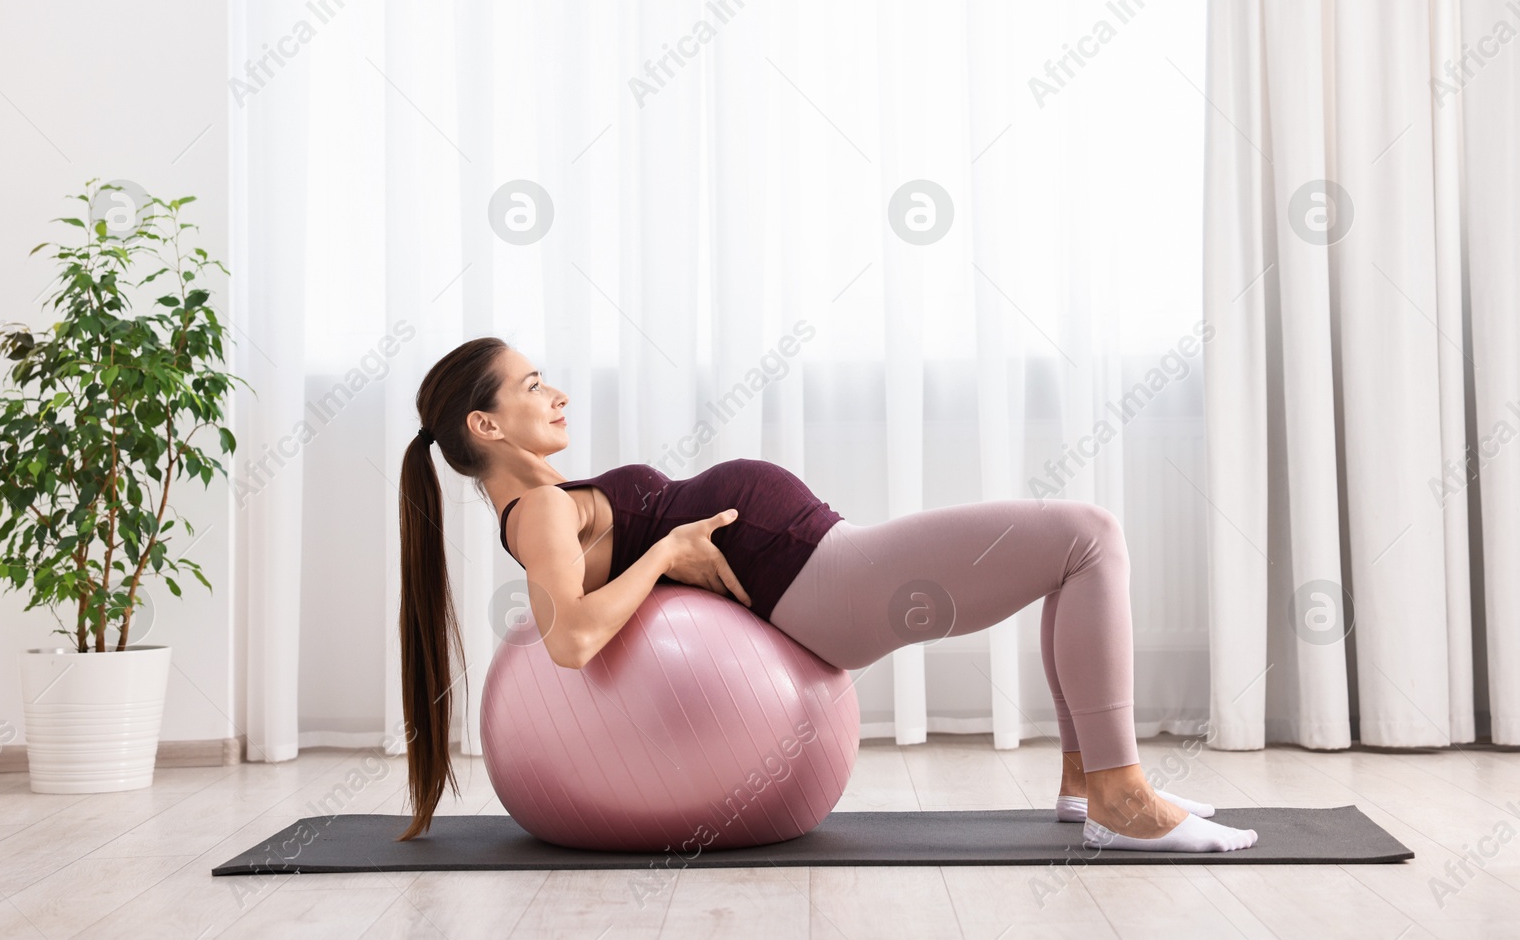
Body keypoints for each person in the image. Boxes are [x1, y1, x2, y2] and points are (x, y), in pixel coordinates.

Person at [397, 337, 1258, 853]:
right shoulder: (538, 507)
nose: (558, 393)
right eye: (534, 384)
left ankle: (1086, 782)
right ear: (486, 425)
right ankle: (1122, 791)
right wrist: (664, 551)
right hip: (824, 582)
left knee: (1076, 546)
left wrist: (662, 547)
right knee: (1088, 537)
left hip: (825, 562)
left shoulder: (544, 499)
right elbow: (571, 640)